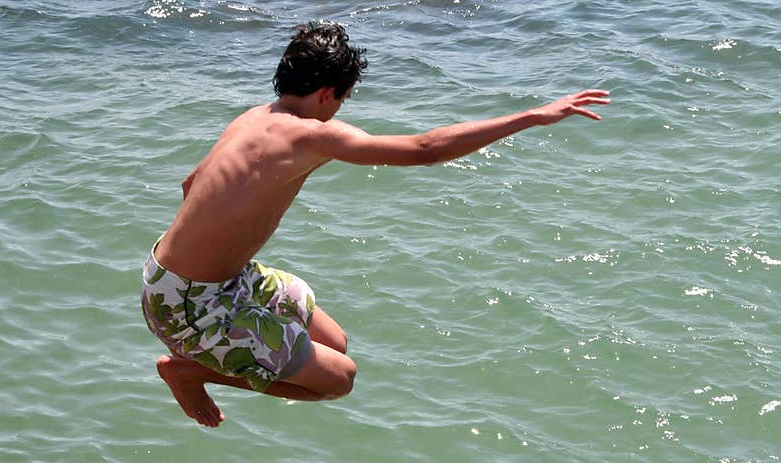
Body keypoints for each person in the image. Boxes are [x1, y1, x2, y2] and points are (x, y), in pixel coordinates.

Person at [141, 22, 610, 427]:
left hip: (190, 278)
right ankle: (190, 373)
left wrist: (219, 244)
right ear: (327, 94)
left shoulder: (253, 118)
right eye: (342, 99)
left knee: (334, 342)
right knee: (339, 380)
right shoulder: (312, 134)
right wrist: (532, 115)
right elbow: (426, 149)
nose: (339, 109)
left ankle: (219, 344)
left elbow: (191, 184)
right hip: (190, 306)